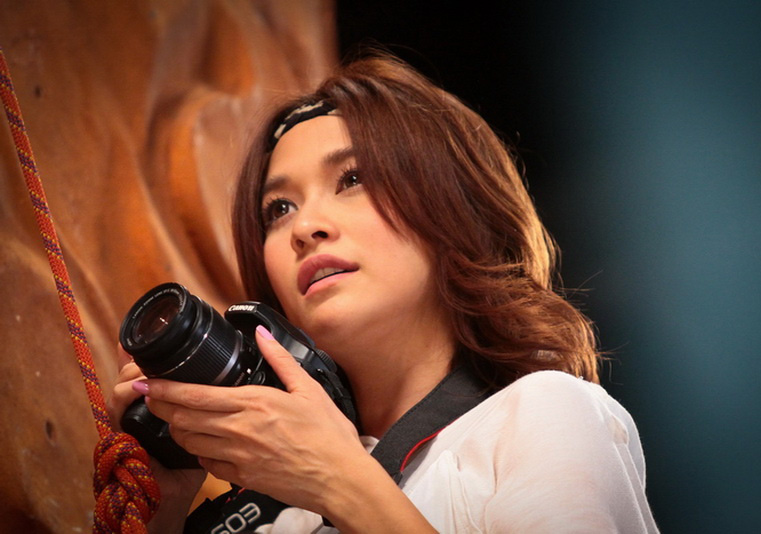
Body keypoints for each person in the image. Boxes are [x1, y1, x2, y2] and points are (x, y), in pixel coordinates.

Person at [110, 51, 659, 533]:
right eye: (279, 209)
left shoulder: (542, 412)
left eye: (352, 179)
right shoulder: (278, 508)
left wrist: (339, 482)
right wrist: (164, 504)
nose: (305, 227)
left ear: (454, 207)